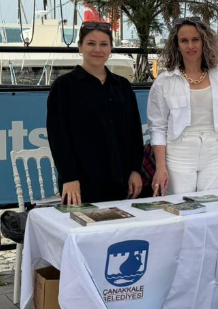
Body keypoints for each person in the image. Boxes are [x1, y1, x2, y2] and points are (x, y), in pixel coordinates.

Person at [46, 21, 144, 204]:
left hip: (121, 182)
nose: (97, 49)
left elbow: (135, 133)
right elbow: (58, 137)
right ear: (80, 47)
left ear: (110, 49)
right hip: (80, 185)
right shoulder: (64, 86)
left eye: (103, 44)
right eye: (91, 43)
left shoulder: (122, 86)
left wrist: (135, 170)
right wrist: (69, 177)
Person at [147, 17, 218, 196]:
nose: (190, 46)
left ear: (204, 42)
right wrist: (161, 167)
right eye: (184, 40)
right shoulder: (164, 81)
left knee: (216, 206)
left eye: (195, 39)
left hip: (214, 152)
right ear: (177, 45)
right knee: (180, 207)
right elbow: (158, 127)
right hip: (178, 154)